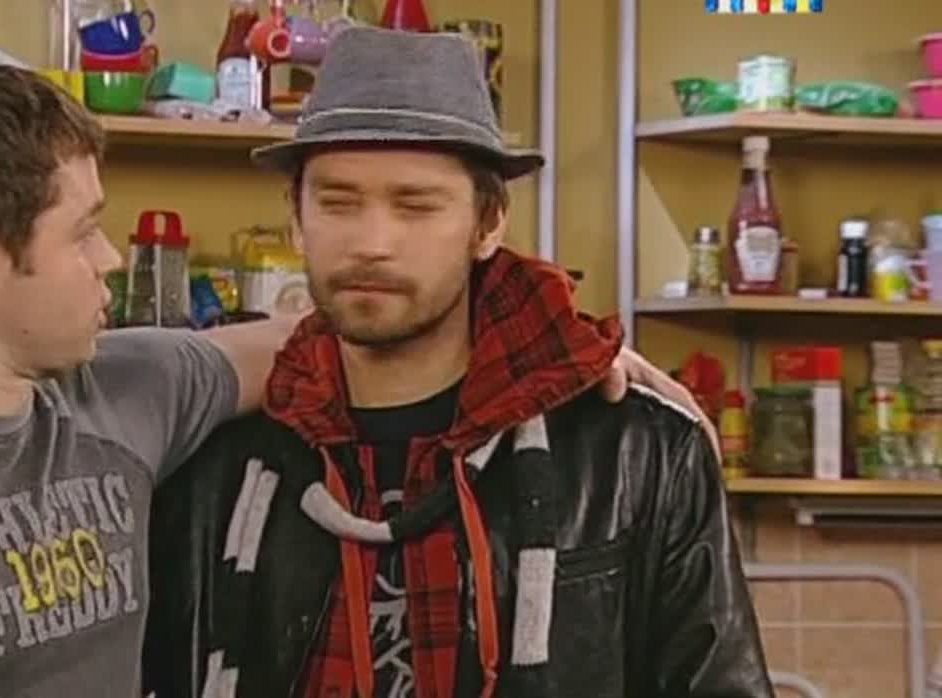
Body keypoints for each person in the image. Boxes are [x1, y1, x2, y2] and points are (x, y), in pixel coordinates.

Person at [0, 60, 711, 698]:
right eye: (83, 231)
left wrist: (559, 343)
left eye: (416, 205)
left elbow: (328, 324)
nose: (113, 259)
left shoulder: (124, 390)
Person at [142, 27, 772, 698]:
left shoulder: (635, 451)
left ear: (488, 224)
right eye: (337, 203)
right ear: (296, 220)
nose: (373, 243)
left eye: (416, 206)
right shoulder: (214, 458)